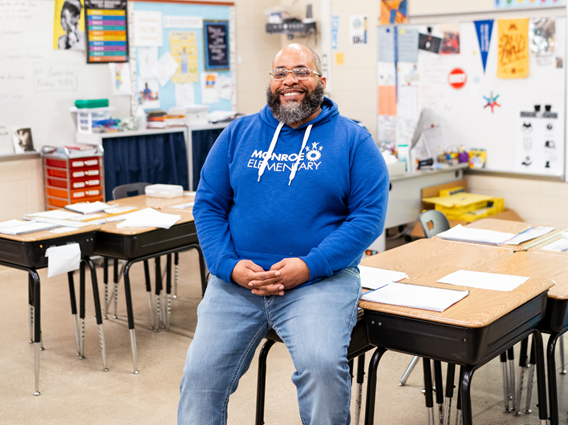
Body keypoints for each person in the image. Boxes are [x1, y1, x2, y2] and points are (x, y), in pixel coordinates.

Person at [178, 43, 389, 425]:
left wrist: (310, 266)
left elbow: (368, 218)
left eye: (301, 71)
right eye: (280, 73)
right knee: (199, 375)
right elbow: (208, 205)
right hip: (238, 282)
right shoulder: (237, 134)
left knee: (322, 367)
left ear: (321, 81)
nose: (290, 80)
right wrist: (228, 265)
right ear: (271, 82)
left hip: (319, 282)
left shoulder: (354, 141)